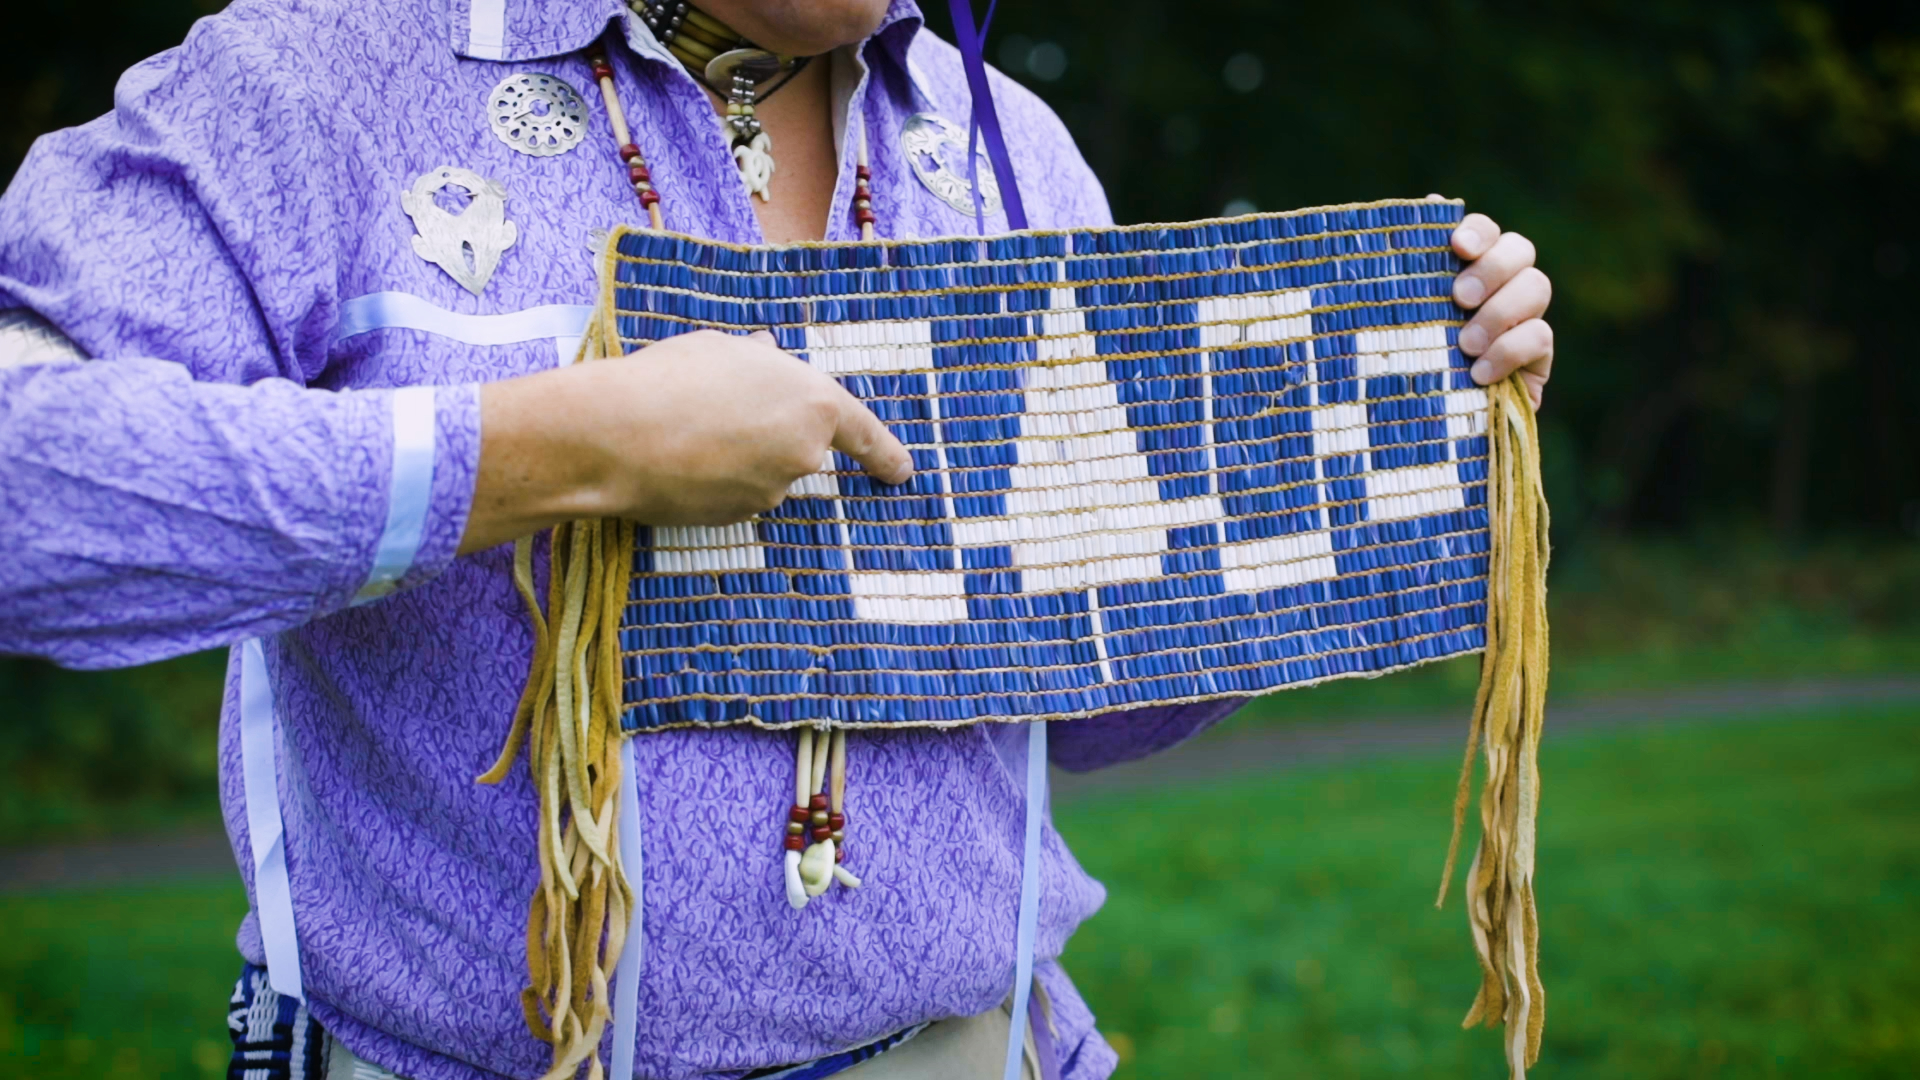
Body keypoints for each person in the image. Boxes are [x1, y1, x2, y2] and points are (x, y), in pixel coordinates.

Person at [0, 0, 1555, 1077]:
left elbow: (1087, 707)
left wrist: (1412, 421)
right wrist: (557, 450)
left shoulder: (1001, 146)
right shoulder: (314, 86)